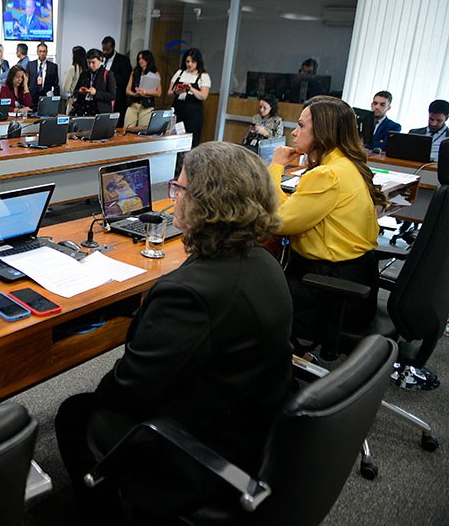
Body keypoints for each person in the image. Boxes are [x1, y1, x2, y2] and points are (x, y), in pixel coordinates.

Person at [56, 142, 293, 524]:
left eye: (179, 189)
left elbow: (127, 389)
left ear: (205, 203)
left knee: (74, 414)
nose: (173, 197)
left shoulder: (189, 294)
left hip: (204, 451)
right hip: (255, 428)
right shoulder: (264, 261)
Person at [269, 95, 388, 348]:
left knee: (252, 294)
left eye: (301, 126)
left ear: (323, 133)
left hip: (330, 289)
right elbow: (295, 210)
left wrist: (275, 167)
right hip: (356, 279)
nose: (294, 133)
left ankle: (281, 360)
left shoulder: (328, 174)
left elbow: (278, 222)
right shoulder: (346, 164)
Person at [168, 47, 211, 149]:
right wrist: (176, 91)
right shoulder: (180, 73)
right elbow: (169, 92)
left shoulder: (203, 76)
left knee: (191, 141)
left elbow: (203, 96)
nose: (190, 64)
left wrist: (191, 88)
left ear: (198, 62)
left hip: (193, 112)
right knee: (174, 138)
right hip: (178, 108)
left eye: (192, 62)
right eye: (187, 61)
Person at [70, 48, 116, 117]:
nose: (91, 65)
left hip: (99, 111)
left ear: (100, 60)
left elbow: (112, 96)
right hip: (83, 109)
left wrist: (96, 93)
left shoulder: (108, 74)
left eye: (93, 62)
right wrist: (80, 91)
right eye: (88, 62)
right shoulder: (84, 73)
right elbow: (75, 91)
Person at [124, 50, 162, 129]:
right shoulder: (134, 72)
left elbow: (158, 92)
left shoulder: (155, 74)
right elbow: (127, 90)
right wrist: (135, 94)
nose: (140, 61)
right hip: (134, 104)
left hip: (146, 106)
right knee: (128, 127)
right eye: (139, 59)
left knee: (143, 129)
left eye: (143, 59)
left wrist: (145, 92)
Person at [101, 36, 132, 128]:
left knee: (117, 124)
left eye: (107, 50)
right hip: (103, 97)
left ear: (113, 47)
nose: (105, 52)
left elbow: (126, 78)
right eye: (103, 49)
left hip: (118, 97)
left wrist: (109, 78)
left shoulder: (123, 60)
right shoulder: (101, 59)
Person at [27, 42, 60, 108]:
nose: (42, 54)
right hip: (32, 97)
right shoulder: (30, 65)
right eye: (40, 51)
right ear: (37, 52)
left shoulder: (53, 66)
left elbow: (56, 84)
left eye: (44, 51)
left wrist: (56, 99)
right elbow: (27, 82)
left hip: (46, 96)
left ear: (47, 52)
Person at [63, 46, 87, 115]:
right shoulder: (87, 69)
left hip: (74, 99)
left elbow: (65, 88)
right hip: (84, 100)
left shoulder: (73, 69)